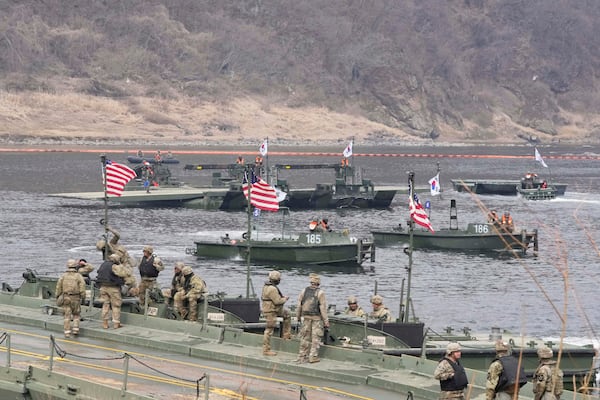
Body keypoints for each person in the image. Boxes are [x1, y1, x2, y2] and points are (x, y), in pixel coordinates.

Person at [296, 273, 329, 364]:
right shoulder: (320, 293)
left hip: (306, 317)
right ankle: (313, 356)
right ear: (318, 283)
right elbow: (322, 308)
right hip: (316, 318)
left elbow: (299, 305)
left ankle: (302, 355)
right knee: (316, 338)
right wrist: (326, 321)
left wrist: (298, 316)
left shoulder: (304, 291)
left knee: (304, 337)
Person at [261, 270, 292, 356]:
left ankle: (286, 334)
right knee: (269, 330)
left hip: (273, 309)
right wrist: (285, 299)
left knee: (287, 314)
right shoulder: (272, 289)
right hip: (271, 311)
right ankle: (266, 349)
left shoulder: (266, 286)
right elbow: (277, 301)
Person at [97, 253, 129, 329]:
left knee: (105, 305)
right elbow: (124, 273)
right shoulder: (114, 266)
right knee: (116, 305)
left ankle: (105, 323)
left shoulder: (103, 264)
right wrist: (121, 265)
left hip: (103, 287)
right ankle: (116, 323)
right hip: (113, 288)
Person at [55, 259, 87, 338]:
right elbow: (82, 287)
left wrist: (57, 296)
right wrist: (83, 297)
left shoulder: (63, 276)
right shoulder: (78, 276)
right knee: (76, 314)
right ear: (75, 266)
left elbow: (58, 287)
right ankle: (75, 329)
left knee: (67, 315)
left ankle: (67, 332)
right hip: (76, 298)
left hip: (66, 297)